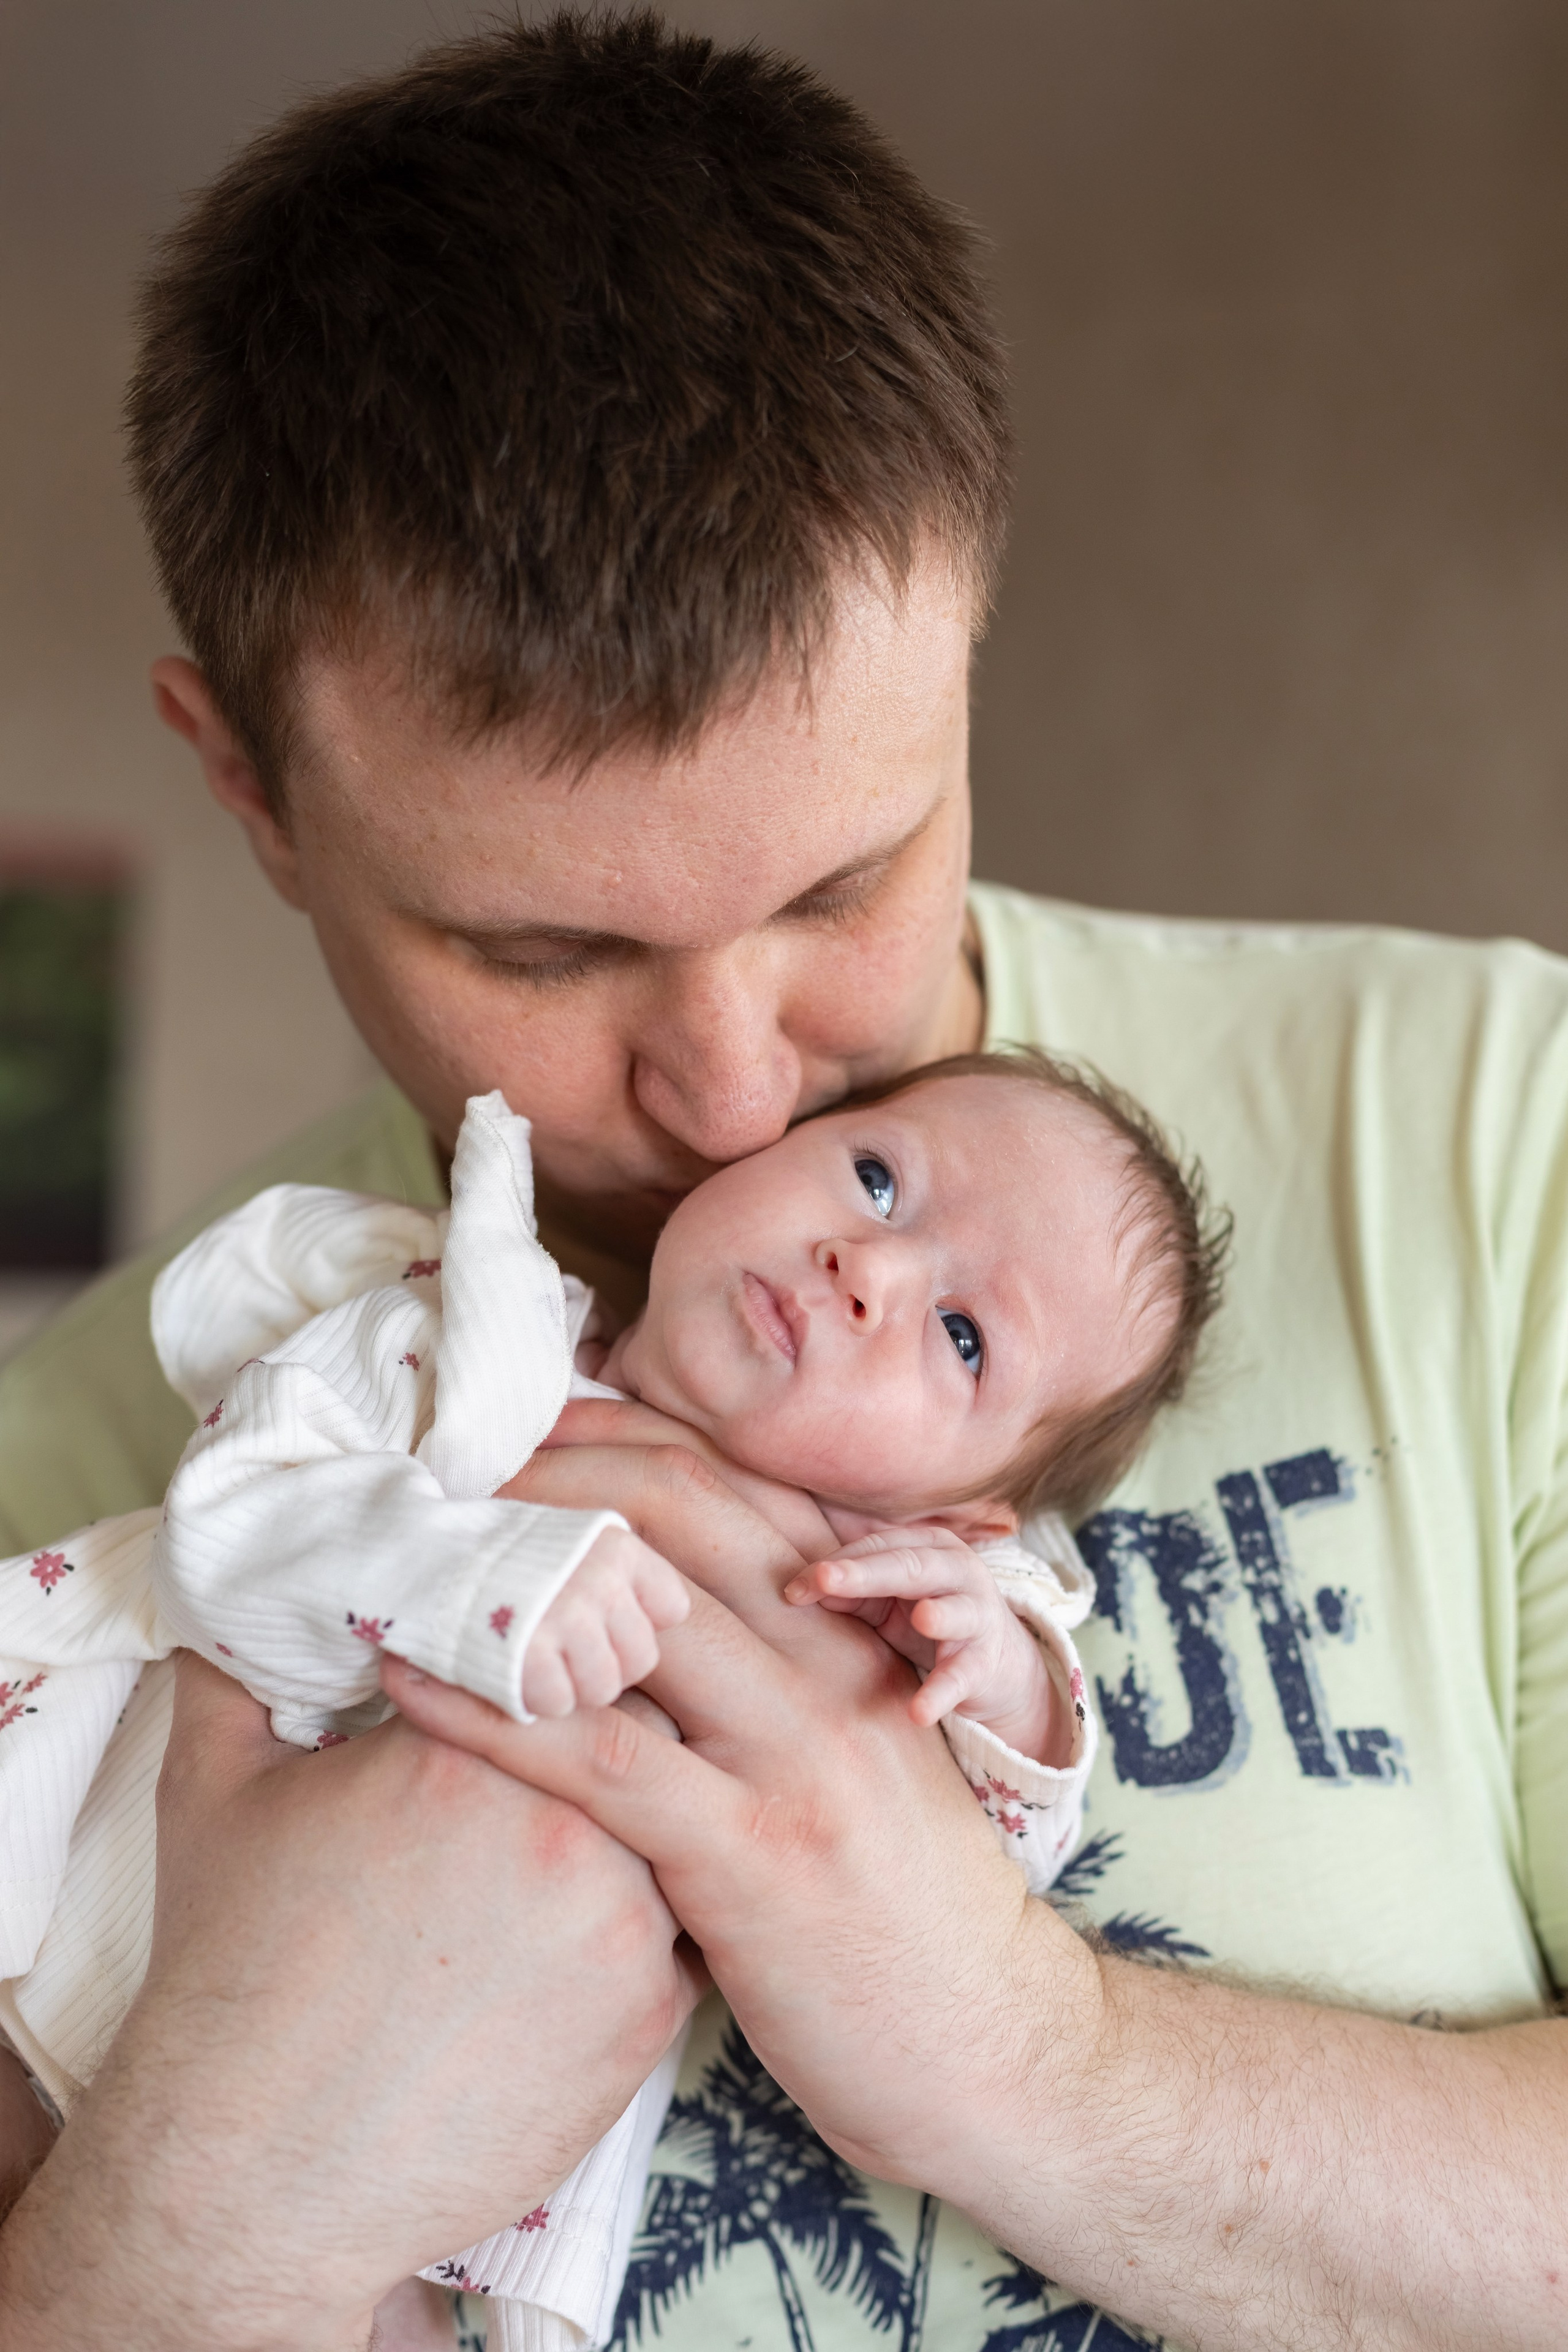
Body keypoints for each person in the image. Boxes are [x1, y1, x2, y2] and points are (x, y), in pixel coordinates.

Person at [0, 15, 1562, 2351]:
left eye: (847, 882)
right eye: (543, 951)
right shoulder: (78, 1486)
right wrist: (202, 2222)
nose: (742, 1102)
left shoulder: (1491, 1137)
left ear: (971, 634)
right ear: (248, 789)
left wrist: (1032, 2057)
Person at [2, 1049, 1219, 2345]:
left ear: (965, 1513)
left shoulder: (878, 1606)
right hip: (84, 1895)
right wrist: (483, 1581)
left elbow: (968, 1883)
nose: (867, 1268)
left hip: (446, 2137)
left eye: (962, 1337)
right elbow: (235, 1530)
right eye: (876, 1180)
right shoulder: (459, 1322)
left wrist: (1003, 1680)